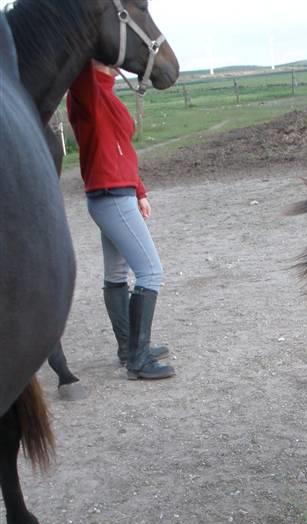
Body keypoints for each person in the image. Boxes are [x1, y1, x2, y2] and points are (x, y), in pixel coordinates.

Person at [67, 61, 174, 380]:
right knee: (151, 271)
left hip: (118, 192)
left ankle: (129, 348)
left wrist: (139, 190)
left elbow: (122, 150)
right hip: (110, 194)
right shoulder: (87, 90)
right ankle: (138, 359)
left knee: (116, 273)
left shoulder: (107, 92)